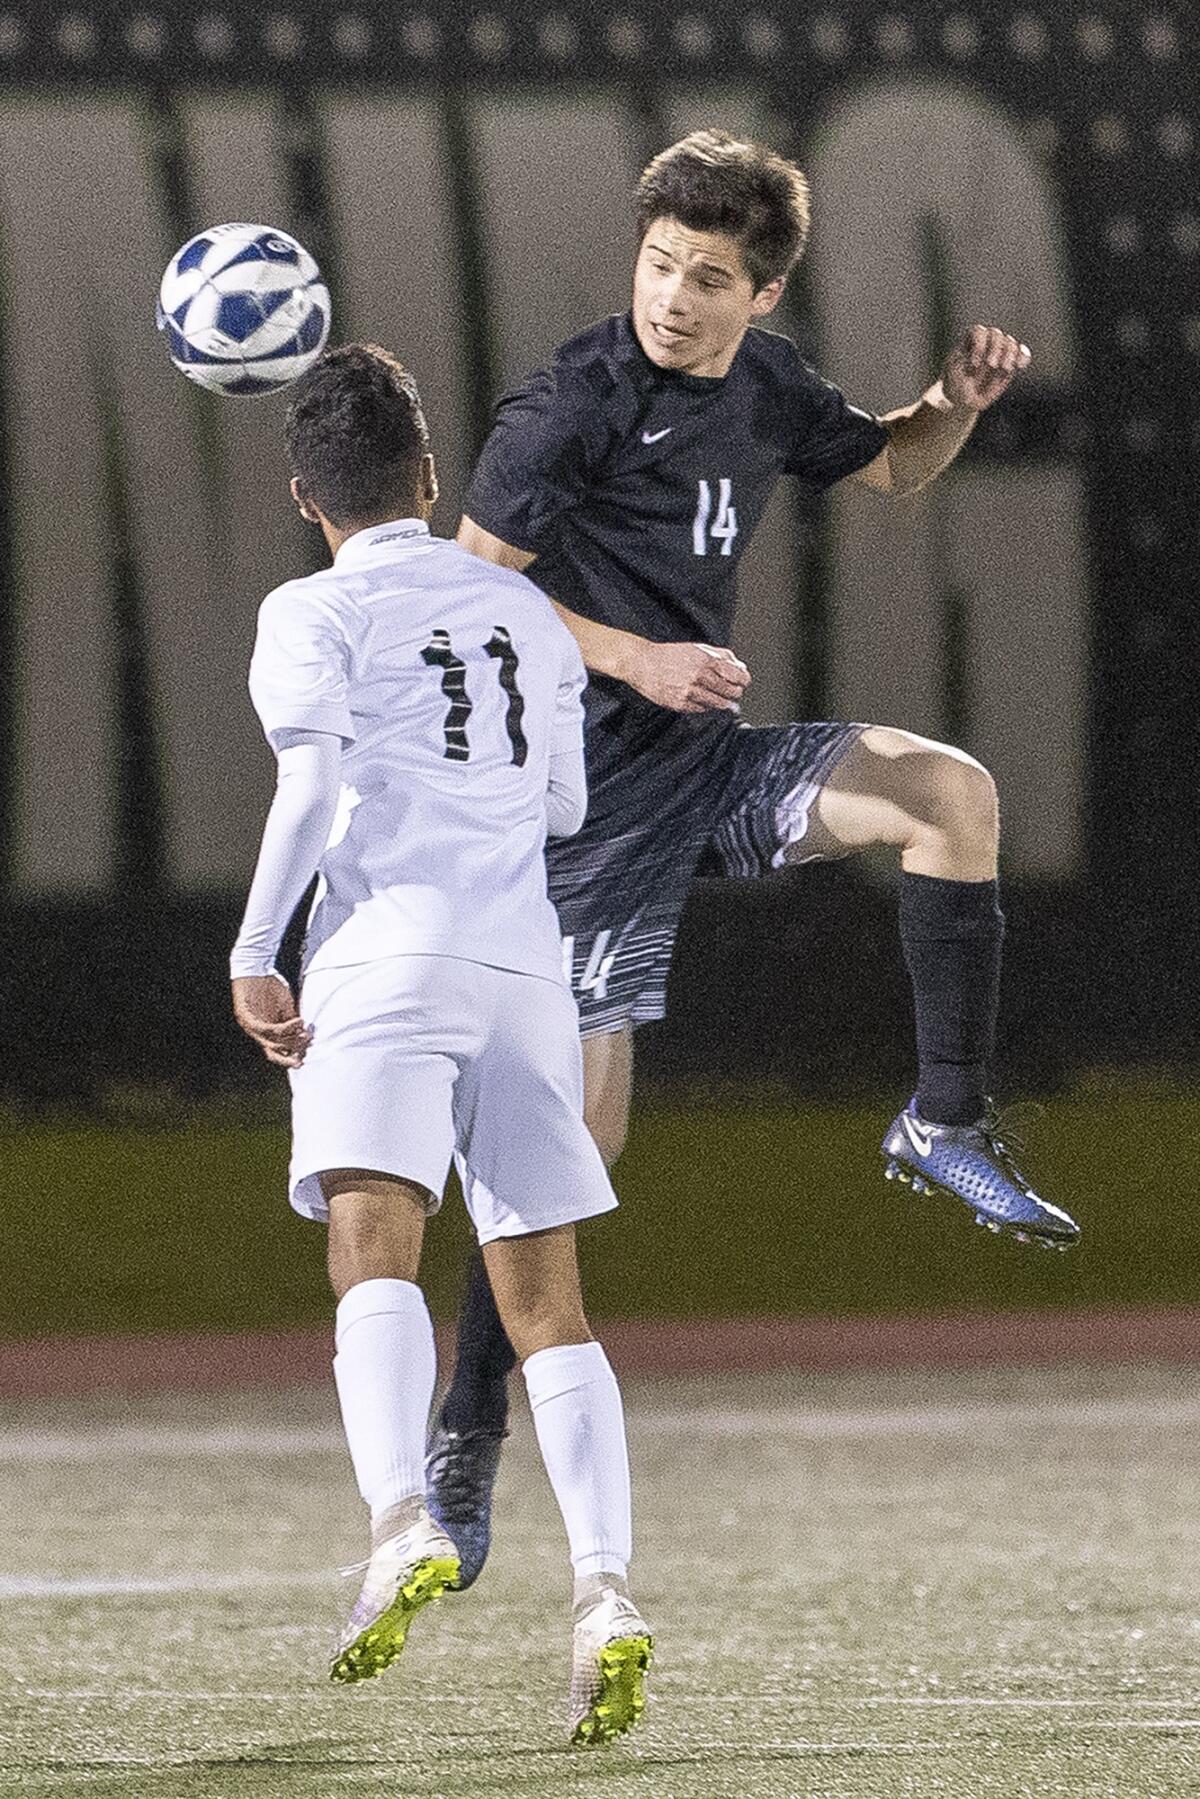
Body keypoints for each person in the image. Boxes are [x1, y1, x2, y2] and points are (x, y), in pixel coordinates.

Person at [427, 129, 1081, 1585]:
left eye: (708, 277)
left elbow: (898, 469)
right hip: (578, 814)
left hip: (705, 767)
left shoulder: (771, 387)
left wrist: (951, 404)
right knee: (568, 1161)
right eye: (659, 263)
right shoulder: (572, 402)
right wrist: (636, 660)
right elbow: (467, 594)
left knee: (951, 794)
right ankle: (466, 1429)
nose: (672, 296)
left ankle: (947, 1122)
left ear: (763, 298)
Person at [229, 343, 652, 1746]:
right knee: (547, 1305)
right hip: (525, 967)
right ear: (427, 477)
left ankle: (401, 1516)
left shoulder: (308, 611)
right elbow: (567, 809)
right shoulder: (526, 612)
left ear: (307, 495)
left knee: (373, 1243)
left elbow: (311, 784)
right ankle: (605, 1593)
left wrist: (253, 952)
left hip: (385, 956)